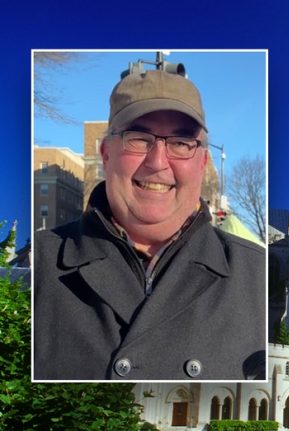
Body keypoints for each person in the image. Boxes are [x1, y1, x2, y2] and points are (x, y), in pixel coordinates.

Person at [34, 67, 266, 380]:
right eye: (138, 139)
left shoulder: (256, 277)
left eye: (181, 143)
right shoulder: (39, 267)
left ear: (203, 161)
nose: (157, 162)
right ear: (106, 153)